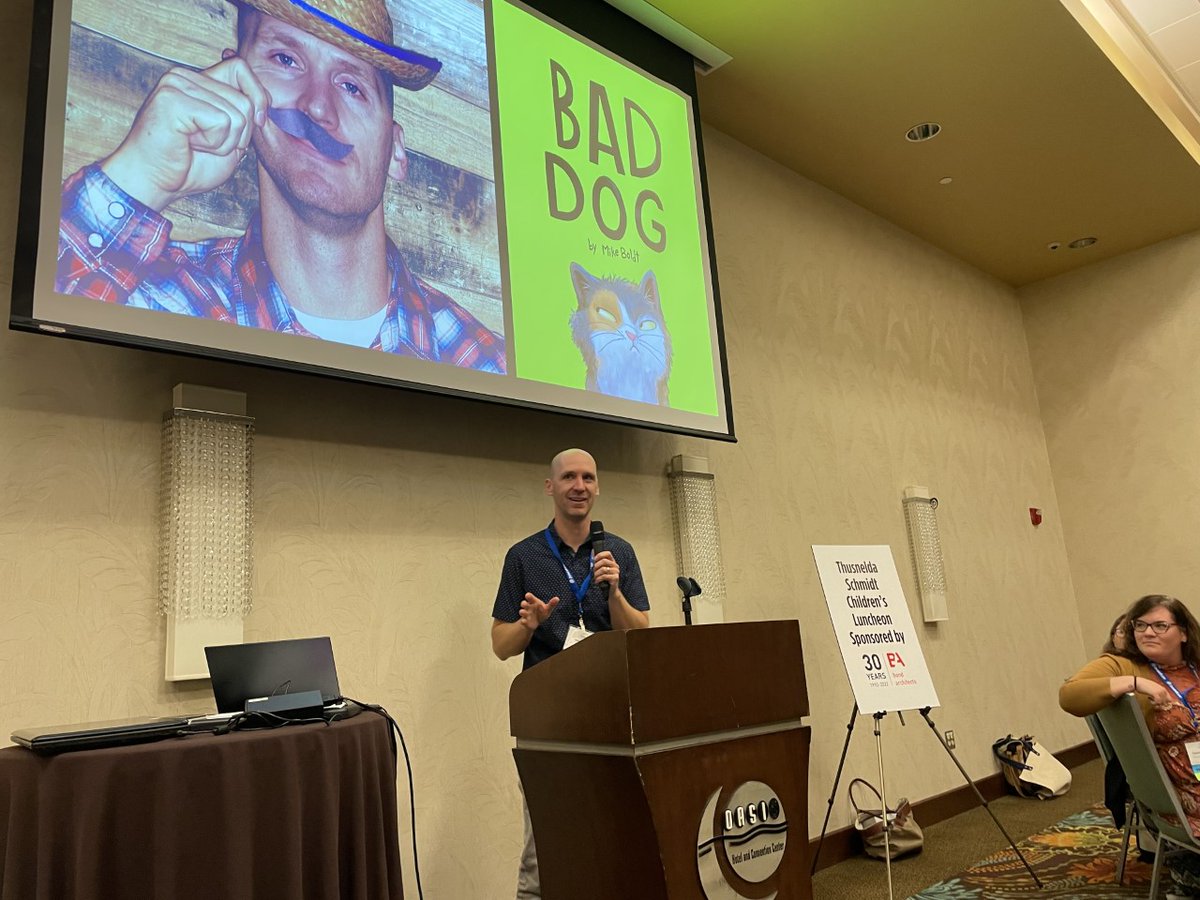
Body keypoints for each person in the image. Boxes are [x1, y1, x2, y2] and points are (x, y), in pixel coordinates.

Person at [56, 0, 505, 371]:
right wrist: (142, 175)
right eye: (286, 59)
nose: (317, 107)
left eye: (351, 86)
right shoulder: (149, 301)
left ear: (395, 151)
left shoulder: (483, 360)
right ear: (233, 84)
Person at [490, 448, 651, 899]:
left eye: (587, 477)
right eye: (568, 478)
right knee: (542, 848)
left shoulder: (618, 552)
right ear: (551, 487)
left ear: (597, 487)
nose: (578, 486)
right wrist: (528, 624)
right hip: (547, 723)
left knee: (613, 837)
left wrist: (616, 593)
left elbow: (640, 632)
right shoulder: (523, 557)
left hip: (611, 716)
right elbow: (501, 646)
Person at [1060, 594, 1200, 836]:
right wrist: (1133, 683)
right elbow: (1069, 695)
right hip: (1182, 786)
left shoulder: (1195, 666)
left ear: (1184, 634)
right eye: (1140, 625)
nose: (1147, 632)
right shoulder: (1122, 664)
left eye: (1160, 626)